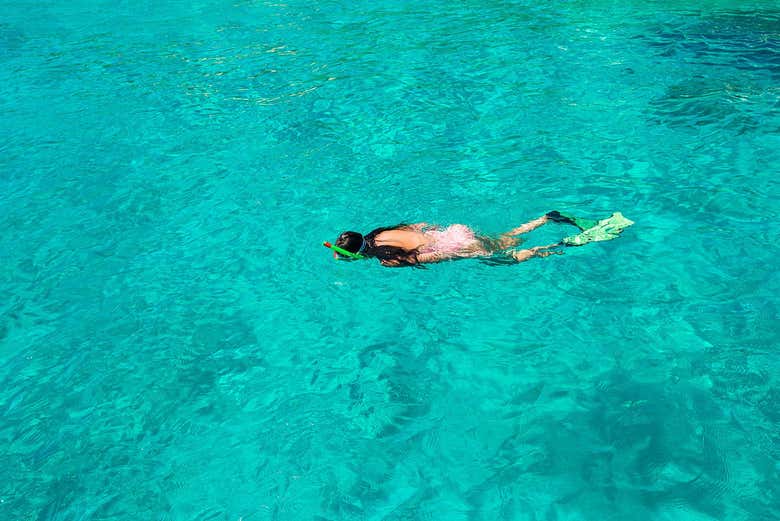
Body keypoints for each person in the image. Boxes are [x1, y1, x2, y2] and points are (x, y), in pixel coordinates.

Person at [328, 211, 577, 267]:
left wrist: (462, 253)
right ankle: (545, 219)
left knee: (509, 259)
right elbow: (423, 226)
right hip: (453, 232)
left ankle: (562, 245)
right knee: (505, 238)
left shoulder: (386, 260)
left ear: (357, 255)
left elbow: (430, 257)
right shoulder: (380, 233)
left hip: (455, 245)